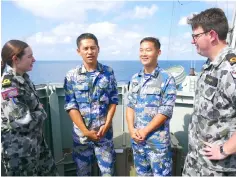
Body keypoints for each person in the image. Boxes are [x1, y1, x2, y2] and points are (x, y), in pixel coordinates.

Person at [182, 8, 236, 176]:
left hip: (218, 167)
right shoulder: (210, 65)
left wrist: (225, 149)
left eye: (196, 36)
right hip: (196, 162)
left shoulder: (230, 68)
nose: (193, 41)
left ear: (212, 35)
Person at [64, 33, 118, 176]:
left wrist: (106, 125)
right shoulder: (72, 75)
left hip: (104, 135)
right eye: (86, 48)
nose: (89, 52)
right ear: (79, 51)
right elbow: (71, 106)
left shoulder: (108, 72)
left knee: (108, 173)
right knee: (82, 173)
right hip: (82, 137)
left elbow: (113, 100)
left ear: (98, 49)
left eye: (93, 48)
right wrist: (86, 131)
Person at [1, 40, 58, 176]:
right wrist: (41, 112)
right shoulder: (9, 86)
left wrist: (35, 111)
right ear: (16, 59)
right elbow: (22, 123)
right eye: (29, 56)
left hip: (36, 145)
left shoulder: (24, 79)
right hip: (20, 153)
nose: (34, 59)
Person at [126, 37, 177, 176]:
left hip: (157, 144)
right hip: (138, 142)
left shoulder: (167, 78)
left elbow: (165, 110)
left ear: (158, 52)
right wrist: (131, 130)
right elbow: (130, 106)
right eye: (141, 50)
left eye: (148, 50)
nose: (144, 53)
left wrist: (145, 131)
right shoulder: (135, 78)